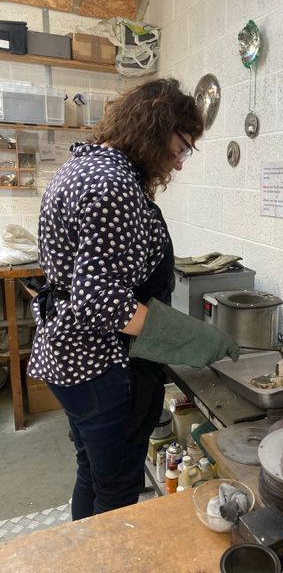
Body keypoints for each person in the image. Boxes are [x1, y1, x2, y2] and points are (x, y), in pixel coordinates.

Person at [26, 78, 239, 520]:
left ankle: (85, 557)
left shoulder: (83, 167)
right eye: (182, 149)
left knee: (93, 471)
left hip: (68, 354)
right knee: (118, 487)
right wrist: (192, 338)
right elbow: (101, 301)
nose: (178, 164)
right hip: (98, 365)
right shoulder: (114, 185)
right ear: (157, 129)